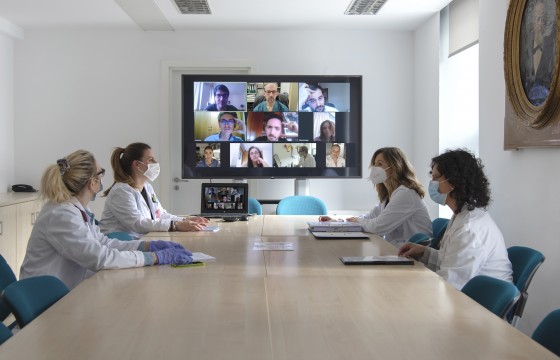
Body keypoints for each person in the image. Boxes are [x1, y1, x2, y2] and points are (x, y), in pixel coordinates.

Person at [19, 150, 193, 289]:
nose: (103, 178)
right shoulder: (60, 215)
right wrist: (153, 257)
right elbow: (100, 257)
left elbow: (103, 242)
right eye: (101, 173)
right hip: (47, 300)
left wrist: (147, 246)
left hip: (70, 289)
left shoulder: (78, 209)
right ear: (92, 182)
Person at [398, 149, 513, 290]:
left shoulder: (470, 227)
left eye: (436, 178)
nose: (432, 183)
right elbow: (450, 260)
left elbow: (450, 284)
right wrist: (424, 252)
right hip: (465, 296)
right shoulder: (461, 215)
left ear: (454, 181)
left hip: (482, 305)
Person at [320, 147, 432, 248]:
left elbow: (378, 227)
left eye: (379, 164)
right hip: (395, 250)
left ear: (394, 167)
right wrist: (339, 221)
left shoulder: (406, 194)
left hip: (413, 258)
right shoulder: (389, 194)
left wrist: (358, 221)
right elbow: (369, 218)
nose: (374, 168)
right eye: (374, 164)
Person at [100, 142, 209, 239]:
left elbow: (159, 215)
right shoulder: (121, 191)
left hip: (141, 240)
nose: (156, 163)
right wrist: (174, 225)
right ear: (137, 164)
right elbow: (137, 223)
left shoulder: (147, 187)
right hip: (119, 246)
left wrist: (185, 220)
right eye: (151, 159)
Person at [520, 0, 555, 106]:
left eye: (543, 18)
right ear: (531, 21)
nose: (540, 23)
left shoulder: (552, 46)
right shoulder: (524, 50)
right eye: (537, 19)